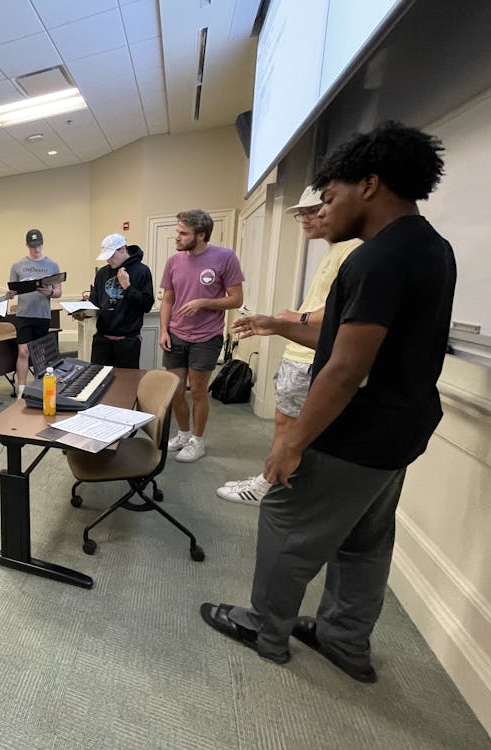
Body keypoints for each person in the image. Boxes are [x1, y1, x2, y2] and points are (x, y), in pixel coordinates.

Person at [200, 122, 455, 684]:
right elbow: (349, 337)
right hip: (401, 432)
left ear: (370, 184)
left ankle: (264, 628)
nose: (325, 210)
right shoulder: (433, 248)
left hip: (354, 433)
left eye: (331, 196)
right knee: (364, 541)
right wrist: (278, 325)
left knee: (283, 518)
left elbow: (345, 367)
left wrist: (291, 442)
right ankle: (345, 639)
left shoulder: (377, 258)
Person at [216, 187, 360, 505]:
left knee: (292, 430)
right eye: (302, 213)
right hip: (302, 351)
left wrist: (297, 318)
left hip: (311, 356)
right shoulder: (335, 250)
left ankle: (269, 487)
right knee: (285, 423)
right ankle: (270, 480)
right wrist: (285, 325)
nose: (307, 219)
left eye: (314, 210)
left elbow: (343, 312)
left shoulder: (354, 251)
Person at [159, 211, 244, 463]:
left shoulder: (225, 257)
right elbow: (168, 299)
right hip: (176, 334)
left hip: (207, 337)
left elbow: (236, 299)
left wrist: (204, 302)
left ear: (201, 235)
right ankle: (184, 434)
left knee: (197, 391)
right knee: (175, 391)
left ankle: (197, 440)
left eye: (183, 233)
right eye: (178, 231)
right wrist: (163, 330)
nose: (177, 237)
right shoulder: (174, 261)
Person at [83, 234, 155, 369]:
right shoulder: (102, 273)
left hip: (127, 342)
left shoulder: (141, 271)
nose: (108, 260)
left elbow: (146, 305)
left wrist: (127, 286)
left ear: (122, 249)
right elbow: (95, 302)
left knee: (126, 381)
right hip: (102, 341)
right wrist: (83, 312)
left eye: (111, 256)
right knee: (97, 379)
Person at [9, 228, 62, 398]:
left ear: (42, 244)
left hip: (42, 315)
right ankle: (21, 391)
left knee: (40, 354)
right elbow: (13, 289)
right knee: (23, 351)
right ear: (27, 245)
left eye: (38, 245)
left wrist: (50, 293)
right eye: (33, 246)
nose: (36, 249)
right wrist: (10, 294)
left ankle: (40, 388)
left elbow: (58, 291)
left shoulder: (52, 265)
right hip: (24, 314)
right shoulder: (17, 266)